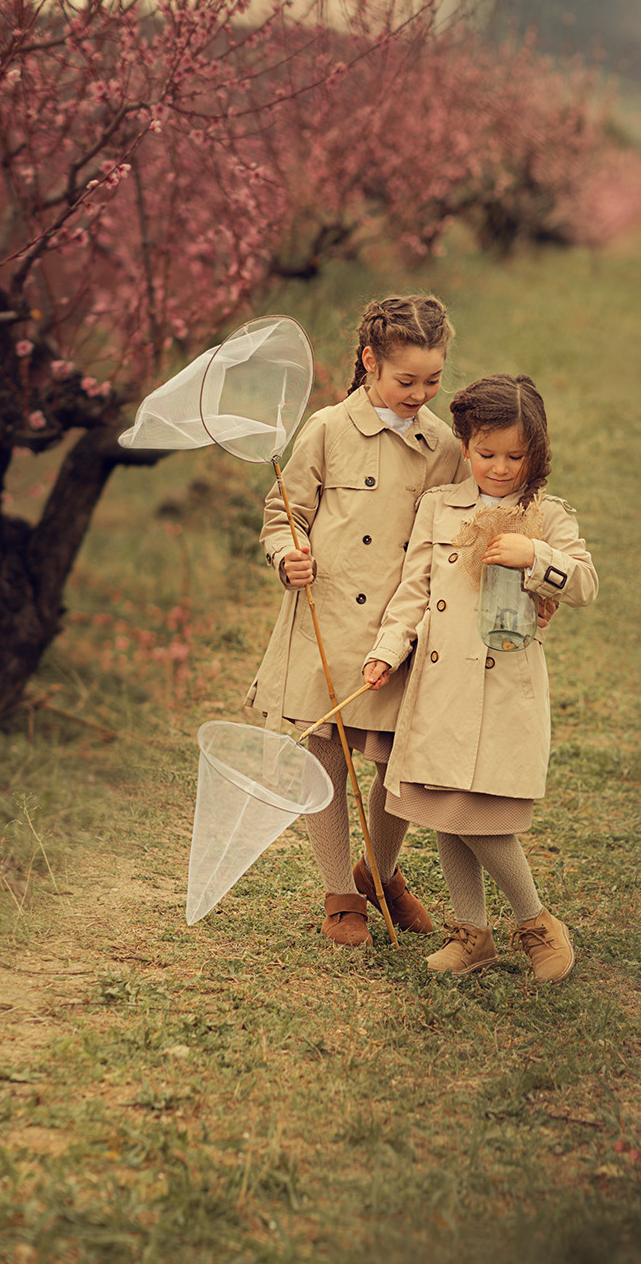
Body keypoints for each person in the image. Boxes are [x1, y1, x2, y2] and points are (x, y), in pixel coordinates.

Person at [246, 296, 466, 946]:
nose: (419, 393)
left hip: (402, 625)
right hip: (330, 615)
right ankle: (339, 887)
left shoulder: (443, 448)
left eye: (433, 380)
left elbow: (447, 540)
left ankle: (384, 870)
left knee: (398, 760)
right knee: (326, 757)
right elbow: (281, 515)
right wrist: (288, 553)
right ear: (370, 361)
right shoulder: (325, 430)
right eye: (406, 380)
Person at [362, 374, 596, 982]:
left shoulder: (546, 515)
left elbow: (587, 584)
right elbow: (415, 588)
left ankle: (536, 921)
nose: (498, 468)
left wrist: (536, 558)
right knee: (443, 806)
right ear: (465, 445)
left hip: (501, 688)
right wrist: (389, 649)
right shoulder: (440, 506)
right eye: (486, 453)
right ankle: (473, 934)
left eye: (515, 457)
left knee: (482, 814)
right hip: (439, 686)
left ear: (536, 454)